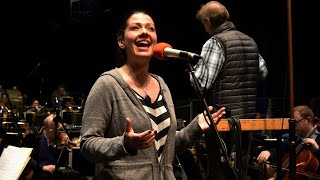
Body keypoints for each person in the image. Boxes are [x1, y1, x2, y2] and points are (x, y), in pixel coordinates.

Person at [79, 9, 226, 179]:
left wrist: (195, 128)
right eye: (136, 28)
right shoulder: (108, 84)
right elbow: (87, 144)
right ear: (121, 41)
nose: (144, 32)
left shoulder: (161, 84)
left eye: (150, 29)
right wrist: (124, 144)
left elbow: (166, 147)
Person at [190, 1, 268, 179]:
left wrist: (192, 72)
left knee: (220, 172)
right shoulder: (250, 41)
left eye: (203, 24)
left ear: (208, 21)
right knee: (241, 170)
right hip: (247, 120)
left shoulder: (214, 42)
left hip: (223, 120)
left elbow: (201, 83)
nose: (204, 28)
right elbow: (263, 72)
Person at [38, 114, 70, 179]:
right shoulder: (38, 140)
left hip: (60, 172)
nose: (57, 132)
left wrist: (64, 144)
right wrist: (42, 167)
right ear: (45, 129)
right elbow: (31, 159)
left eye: (58, 128)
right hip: (43, 172)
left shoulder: (61, 138)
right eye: (53, 129)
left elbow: (65, 160)